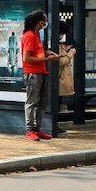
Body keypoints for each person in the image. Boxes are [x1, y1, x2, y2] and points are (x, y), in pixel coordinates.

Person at [20, 10, 60, 141]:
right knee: (32, 101)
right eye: (44, 20)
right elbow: (27, 58)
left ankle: (37, 128)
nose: (46, 22)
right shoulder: (30, 36)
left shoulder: (36, 35)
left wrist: (47, 53)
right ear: (38, 21)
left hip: (41, 72)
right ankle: (30, 130)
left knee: (42, 102)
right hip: (32, 73)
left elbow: (38, 53)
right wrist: (47, 60)